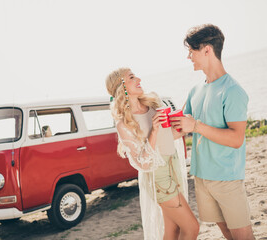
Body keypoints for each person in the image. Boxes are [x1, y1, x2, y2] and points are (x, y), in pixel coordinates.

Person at [170, 24, 255, 240]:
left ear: (207, 50)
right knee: (228, 235)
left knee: (242, 236)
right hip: (201, 177)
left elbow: (236, 138)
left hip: (227, 178)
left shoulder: (233, 91)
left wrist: (196, 126)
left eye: (192, 51)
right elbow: (179, 127)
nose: (189, 57)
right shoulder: (195, 90)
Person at [105, 68, 199, 240]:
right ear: (122, 87)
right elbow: (144, 163)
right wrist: (154, 131)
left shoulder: (153, 104)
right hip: (159, 178)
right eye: (132, 77)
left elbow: (169, 137)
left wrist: (183, 125)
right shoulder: (124, 124)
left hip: (174, 166)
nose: (138, 78)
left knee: (173, 230)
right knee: (192, 227)